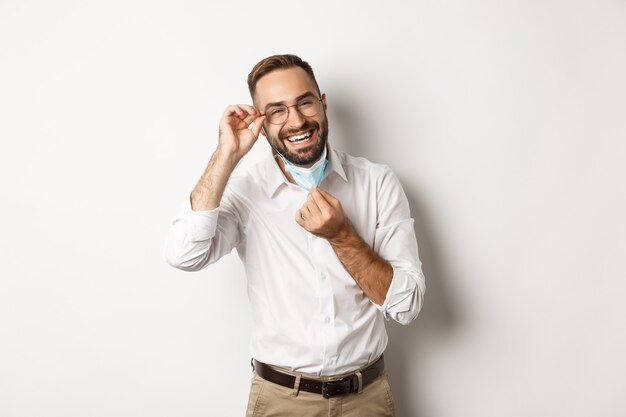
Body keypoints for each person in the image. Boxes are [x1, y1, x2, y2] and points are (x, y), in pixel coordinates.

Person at [164, 54, 425, 417]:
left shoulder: (377, 183)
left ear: (323, 103)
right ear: (261, 121)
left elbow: (406, 306)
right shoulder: (245, 193)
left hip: (366, 399)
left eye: (305, 102)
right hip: (281, 401)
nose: (297, 120)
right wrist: (225, 154)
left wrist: (342, 236)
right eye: (277, 111)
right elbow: (183, 255)